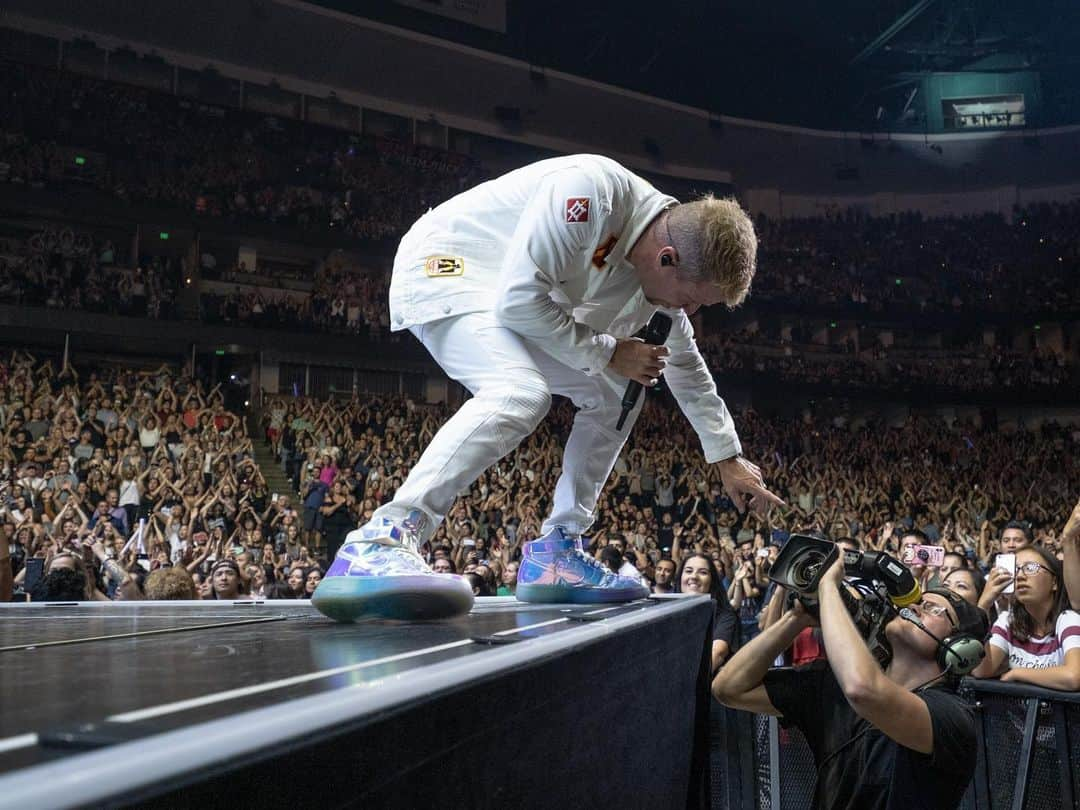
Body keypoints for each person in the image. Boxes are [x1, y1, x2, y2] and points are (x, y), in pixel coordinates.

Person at [313, 154, 782, 622]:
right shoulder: (589, 194)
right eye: (694, 299)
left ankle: (558, 549)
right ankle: (382, 538)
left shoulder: (655, 283)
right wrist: (606, 351)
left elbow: (686, 365)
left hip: (514, 301)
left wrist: (727, 457)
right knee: (521, 392)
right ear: (667, 259)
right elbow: (519, 302)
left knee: (618, 392)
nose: (692, 312)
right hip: (451, 266)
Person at [713, 547, 990, 810]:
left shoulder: (952, 716)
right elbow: (729, 688)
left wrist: (828, 588)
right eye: (916, 602)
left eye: (932, 609)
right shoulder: (829, 684)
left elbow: (863, 690)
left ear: (958, 647)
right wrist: (797, 619)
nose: (913, 608)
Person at [971, 545, 1080, 689]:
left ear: (1054, 582)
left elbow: (1073, 677)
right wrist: (984, 605)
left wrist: (1017, 673)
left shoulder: (1068, 619)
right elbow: (981, 671)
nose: (1020, 576)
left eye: (1030, 568)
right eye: (1015, 570)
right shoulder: (1007, 621)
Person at [676, 553, 739, 673]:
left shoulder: (724, 615)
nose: (694, 576)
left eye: (703, 572)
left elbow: (717, 654)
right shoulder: (667, 612)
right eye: (688, 571)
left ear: (712, 580)